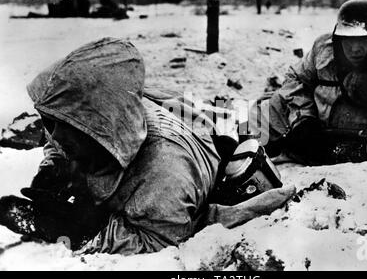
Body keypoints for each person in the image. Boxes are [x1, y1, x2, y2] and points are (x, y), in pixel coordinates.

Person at [0, 38, 295, 255]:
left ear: (90, 125)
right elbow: (58, 138)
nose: (49, 133)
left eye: (55, 124)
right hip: (180, 117)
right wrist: (51, 172)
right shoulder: (89, 121)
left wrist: (81, 232)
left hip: (197, 151)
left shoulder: (166, 169)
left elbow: (158, 241)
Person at [250, 0, 367, 165]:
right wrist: (303, 121)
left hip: (361, 141)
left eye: (363, 40)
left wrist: (358, 151)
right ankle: (236, 148)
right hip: (315, 127)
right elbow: (295, 78)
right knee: (251, 111)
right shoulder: (324, 50)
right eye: (348, 40)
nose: (354, 49)